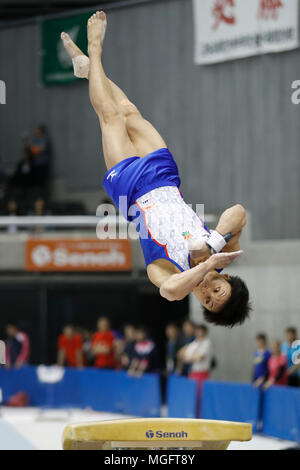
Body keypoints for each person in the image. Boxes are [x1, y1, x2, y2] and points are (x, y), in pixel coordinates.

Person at [61, 11, 251, 328]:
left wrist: (201, 269)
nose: (207, 290)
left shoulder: (170, 272)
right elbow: (238, 212)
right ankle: (87, 70)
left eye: (206, 300)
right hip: (165, 178)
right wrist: (213, 247)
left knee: (109, 116)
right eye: (217, 289)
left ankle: (94, 51)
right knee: (127, 110)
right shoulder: (222, 252)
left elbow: (171, 292)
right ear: (227, 277)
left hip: (132, 190)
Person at [178, 324, 212, 416]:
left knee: (201, 396)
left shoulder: (207, 343)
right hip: (193, 373)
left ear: (204, 332)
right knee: (192, 396)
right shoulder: (194, 343)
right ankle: (193, 415)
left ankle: (202, 415)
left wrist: (189, 357)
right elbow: (181, 354)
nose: (199, 333)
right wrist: (191, 357)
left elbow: (200, 357)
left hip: (202, 373)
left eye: (201, 331)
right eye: (198, 331)